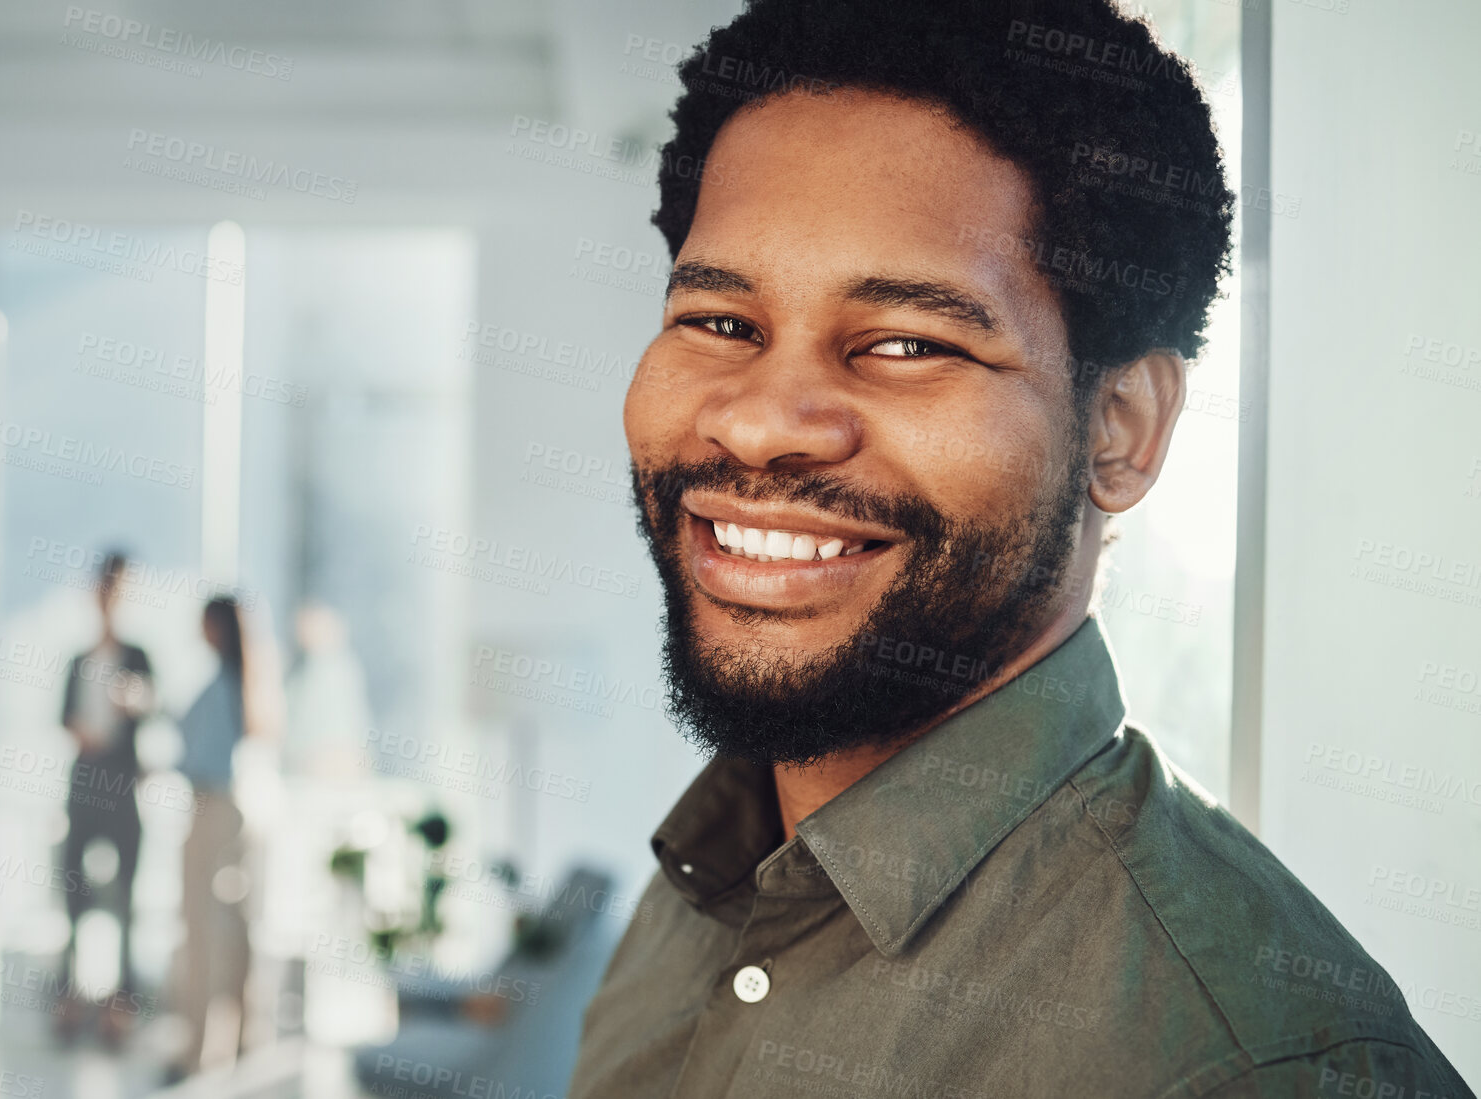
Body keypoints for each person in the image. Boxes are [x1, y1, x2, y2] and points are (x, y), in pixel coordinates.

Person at [567, 2, 1472, 1096]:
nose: (758, 422)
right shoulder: (701, 889)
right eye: (719, 321)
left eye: (908, 343)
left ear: (1121, 428)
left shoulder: (1248, 1065)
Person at [56, 551, 154, 1047]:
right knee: (73, 893)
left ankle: (121, 1005)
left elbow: (151, 708)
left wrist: (135, 705)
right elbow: (65, 719)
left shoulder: (138, 657)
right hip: (83, 787)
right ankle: (70, 1000)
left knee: (126, 902)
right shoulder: (78, 659)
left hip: (122, 791)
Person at [166, 595, 258, 1082]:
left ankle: (197, 1049)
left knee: (201, 928)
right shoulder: (238, 681)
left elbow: (201, 756)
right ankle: (239, 1038)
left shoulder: (223, 685)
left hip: (211, 807)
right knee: (230, 927)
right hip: (228, 809)